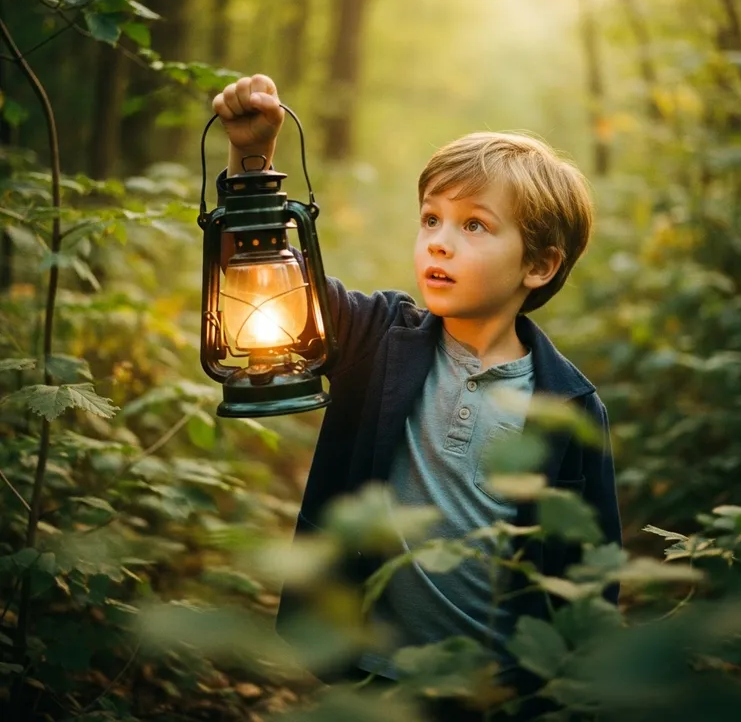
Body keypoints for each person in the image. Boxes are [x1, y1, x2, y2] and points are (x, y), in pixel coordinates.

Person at [212, 75, 622, 720]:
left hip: (497, 693)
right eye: (431, 218)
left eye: (474, 224)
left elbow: (591, 575)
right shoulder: (376, 336)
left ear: (539, 265)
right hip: (372, 671)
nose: (439, 240)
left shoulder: (566, 406)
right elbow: (267, 269)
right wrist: (251, 156)